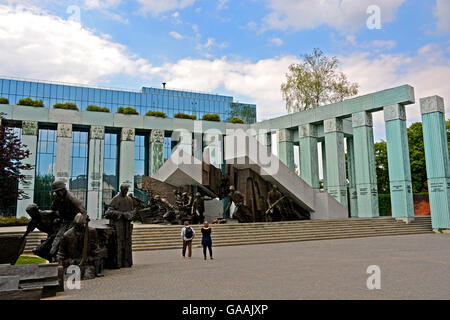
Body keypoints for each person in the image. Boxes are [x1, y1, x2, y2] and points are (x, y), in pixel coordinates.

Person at [49, 181, 87, 261]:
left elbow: (83, 210)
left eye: (58, 191)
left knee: (68, 235)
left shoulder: (71, 197)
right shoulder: (56, 197)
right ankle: (52, 252)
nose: (57, 193)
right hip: (65, 220)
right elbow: (53, 208)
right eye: (56, 191)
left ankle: (67, 255)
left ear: (63, 190)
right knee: (59, 236)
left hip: (74, 220)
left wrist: (82, 222)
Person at [57, 213, 101, 280]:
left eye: (81, 226)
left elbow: (96, 249)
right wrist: (60, 266)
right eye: (77, 226)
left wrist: (97, 266)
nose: (79, 228)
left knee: (88, 276)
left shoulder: (91, 232)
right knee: (71, 279)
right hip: (72, 263)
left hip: (87, 263)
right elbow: (61, 253)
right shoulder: (67, 235)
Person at [104, 184, 134, 268]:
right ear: (121, 190)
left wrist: (130, 215)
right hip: (117, 225)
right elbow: (108, 213)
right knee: (118, 243)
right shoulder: (115, 199)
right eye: (125, 190)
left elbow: (132, 211)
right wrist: (122, 214)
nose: (126, 191)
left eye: (127, 190)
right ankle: (117, 263)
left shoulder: (129, 200)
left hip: (126, 225)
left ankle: (126, 262)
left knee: (127, 243)